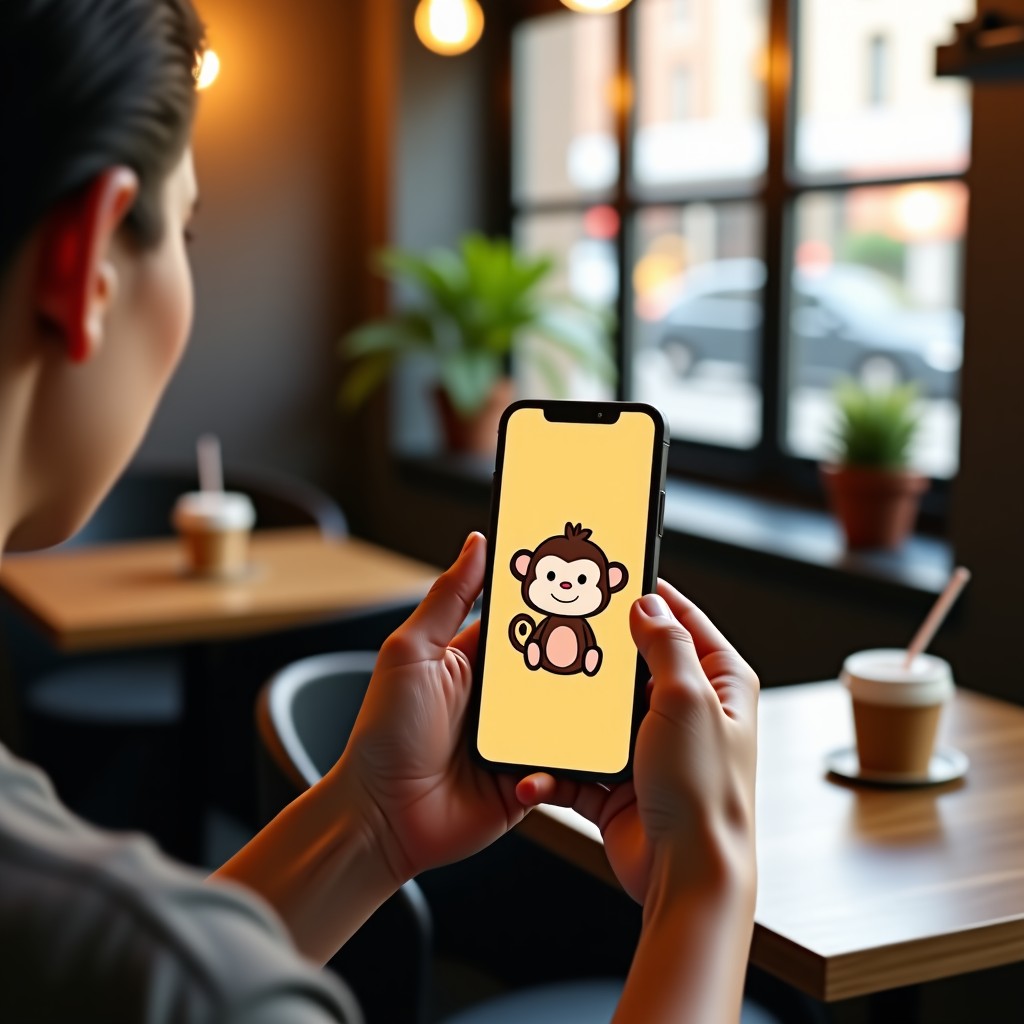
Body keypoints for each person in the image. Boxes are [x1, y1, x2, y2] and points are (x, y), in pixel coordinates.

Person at [0, 1, 759, 1021]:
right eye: (186, 230)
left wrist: (368, 822)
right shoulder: (180, 973)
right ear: (84, 262)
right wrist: (704, 890)